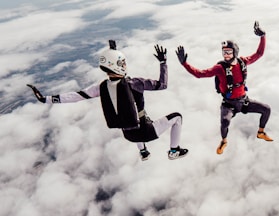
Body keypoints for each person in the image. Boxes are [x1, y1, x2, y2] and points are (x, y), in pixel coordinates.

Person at [27, 40, 188, 161]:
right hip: (147, 131)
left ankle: (143, 152)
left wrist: (46, 99)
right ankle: (174, 151)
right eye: (122, 62)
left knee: (129, 120)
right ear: (118, 65)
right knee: (177, 117)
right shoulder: (136, 83)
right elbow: (163, 84)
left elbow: (74, 96)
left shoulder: (100, 87)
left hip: (129, 136)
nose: (125, 64)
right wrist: (163, 62)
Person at [176, 21, 273, 155]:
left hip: (244, 101)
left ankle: (261, 132)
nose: (225, 55)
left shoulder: (243, 62)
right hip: (229, 104)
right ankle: (224, 141)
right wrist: (184, 63)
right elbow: (200, 74)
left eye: (228, 52)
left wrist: (263, 36)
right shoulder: (220, 68)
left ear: (235, 52)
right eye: (224, 52)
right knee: (225, 122)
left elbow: (259, 53)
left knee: (266, 109)